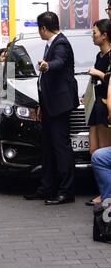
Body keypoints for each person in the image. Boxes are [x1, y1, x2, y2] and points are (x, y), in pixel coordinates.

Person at [24, 12, 79, 205]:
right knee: (47, 148)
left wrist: (47, 65)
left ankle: (66, 191)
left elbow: (59, 62)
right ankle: (46, 188)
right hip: (50, 105)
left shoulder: (61, 44)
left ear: (43, 28)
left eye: (39, 29)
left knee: (61, 148)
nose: (39, 32)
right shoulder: (52, 44)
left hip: (59, 106)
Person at [86, 20, 111, 206]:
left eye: (95, 32)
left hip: (105, 106)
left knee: (103, 151)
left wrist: (98, 73)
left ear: (104, 35)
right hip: (95, 105)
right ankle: (101, 191)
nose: (92, 35)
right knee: (93, 150)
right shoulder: (99, 55)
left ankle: (105, 195)